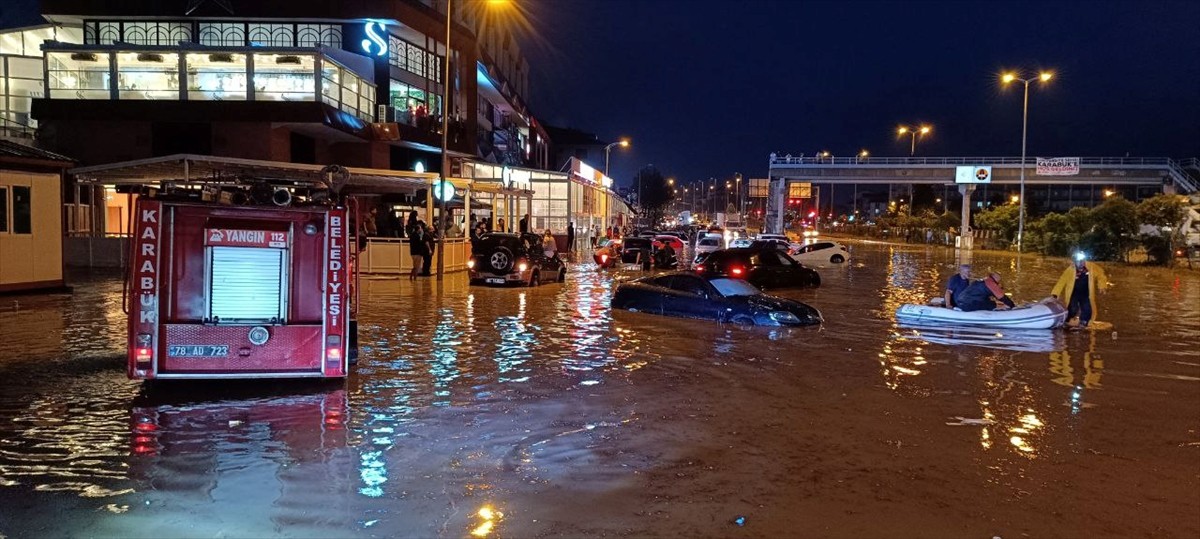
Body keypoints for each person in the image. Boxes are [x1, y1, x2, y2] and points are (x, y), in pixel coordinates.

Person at [1051, 252, 1110, 328]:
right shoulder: (1070, 270)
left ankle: (1084, 322)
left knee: (1087, 308)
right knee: (1072, 308)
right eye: (1079, 261)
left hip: (1086, 293)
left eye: (1082, 261)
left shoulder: (1091, 267)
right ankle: (1067, 322)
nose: (1081, 263)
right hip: (1073, 293)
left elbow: (1101, 275)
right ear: (1074, 262)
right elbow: (1061, 281)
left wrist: (1102, 286)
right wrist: (1055, 293)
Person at [405, 211, 426, 281]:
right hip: (417, 253)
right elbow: (420, 243)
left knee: (415, 265)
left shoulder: (412, 236)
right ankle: (414, 278)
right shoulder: (417, 236)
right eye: (420, 228)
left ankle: (412, 277)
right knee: (417, 266)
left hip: (413, 252)